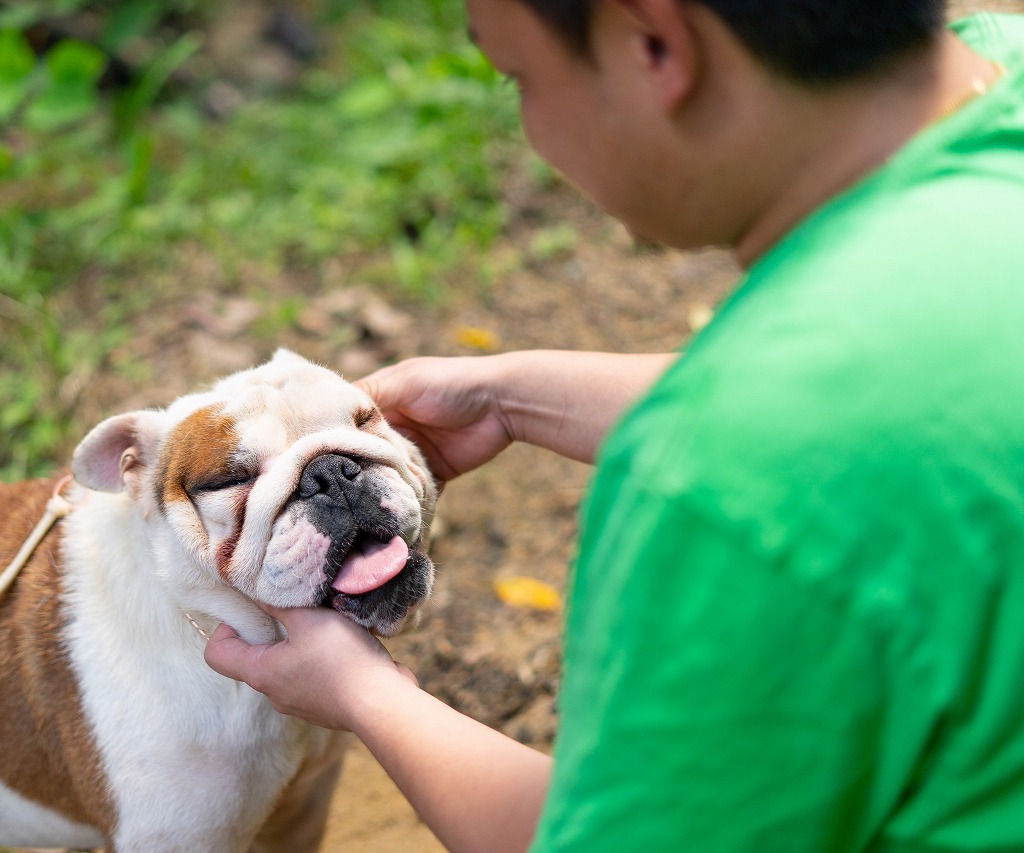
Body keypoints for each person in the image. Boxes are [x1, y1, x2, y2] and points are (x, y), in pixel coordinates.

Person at [206, 0, 1024, 850]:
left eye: (520, 76)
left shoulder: (728, 489)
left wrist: (366, 695)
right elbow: (905, 402)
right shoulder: (998, 70)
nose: (531, 128)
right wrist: (513, 397)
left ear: (654, 42)